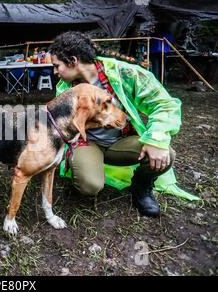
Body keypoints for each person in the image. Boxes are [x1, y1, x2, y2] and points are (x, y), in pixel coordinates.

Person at [48, 31, 184, 217]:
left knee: (166, 154)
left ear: (72, 61)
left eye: (57, 66)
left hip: (121, 140)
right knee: (89, 186)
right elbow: (62, 124)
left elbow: (164, 104)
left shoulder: (123, 73)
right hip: (88, 143)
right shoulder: (65, 88)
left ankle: (141, 187)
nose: (55, 72)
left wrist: (155, 139)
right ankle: (87, 167)